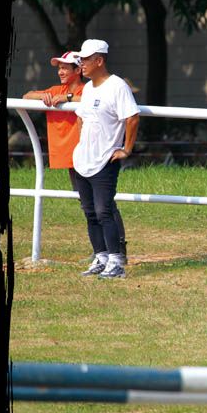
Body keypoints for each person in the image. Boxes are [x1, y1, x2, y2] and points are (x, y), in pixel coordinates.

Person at [23, 52, 128, 260]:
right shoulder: (57, 90)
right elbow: (27, 96)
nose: (60, 71)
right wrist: (46, 97)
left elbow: (94, 99)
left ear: (78, 70)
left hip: (94, 155)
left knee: (104, 205)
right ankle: (102, 251)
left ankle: (117, 248)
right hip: (74, 157)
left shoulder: (89, 88)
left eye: (65, 67)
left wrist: (68, 98)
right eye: (59, 68)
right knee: (88, 205)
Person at [73, 39, 140, 279]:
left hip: (105, 160)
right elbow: (81, 116)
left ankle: (116, 262)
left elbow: (132, 118)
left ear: (99, 60)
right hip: (83, 160)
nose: (81, 64)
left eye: (85, 59)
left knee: (104, 211)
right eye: (80, 59)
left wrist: (126, 149)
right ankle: (100, 257)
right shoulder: (88, 88)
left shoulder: (117, 86)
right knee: (90, 212)